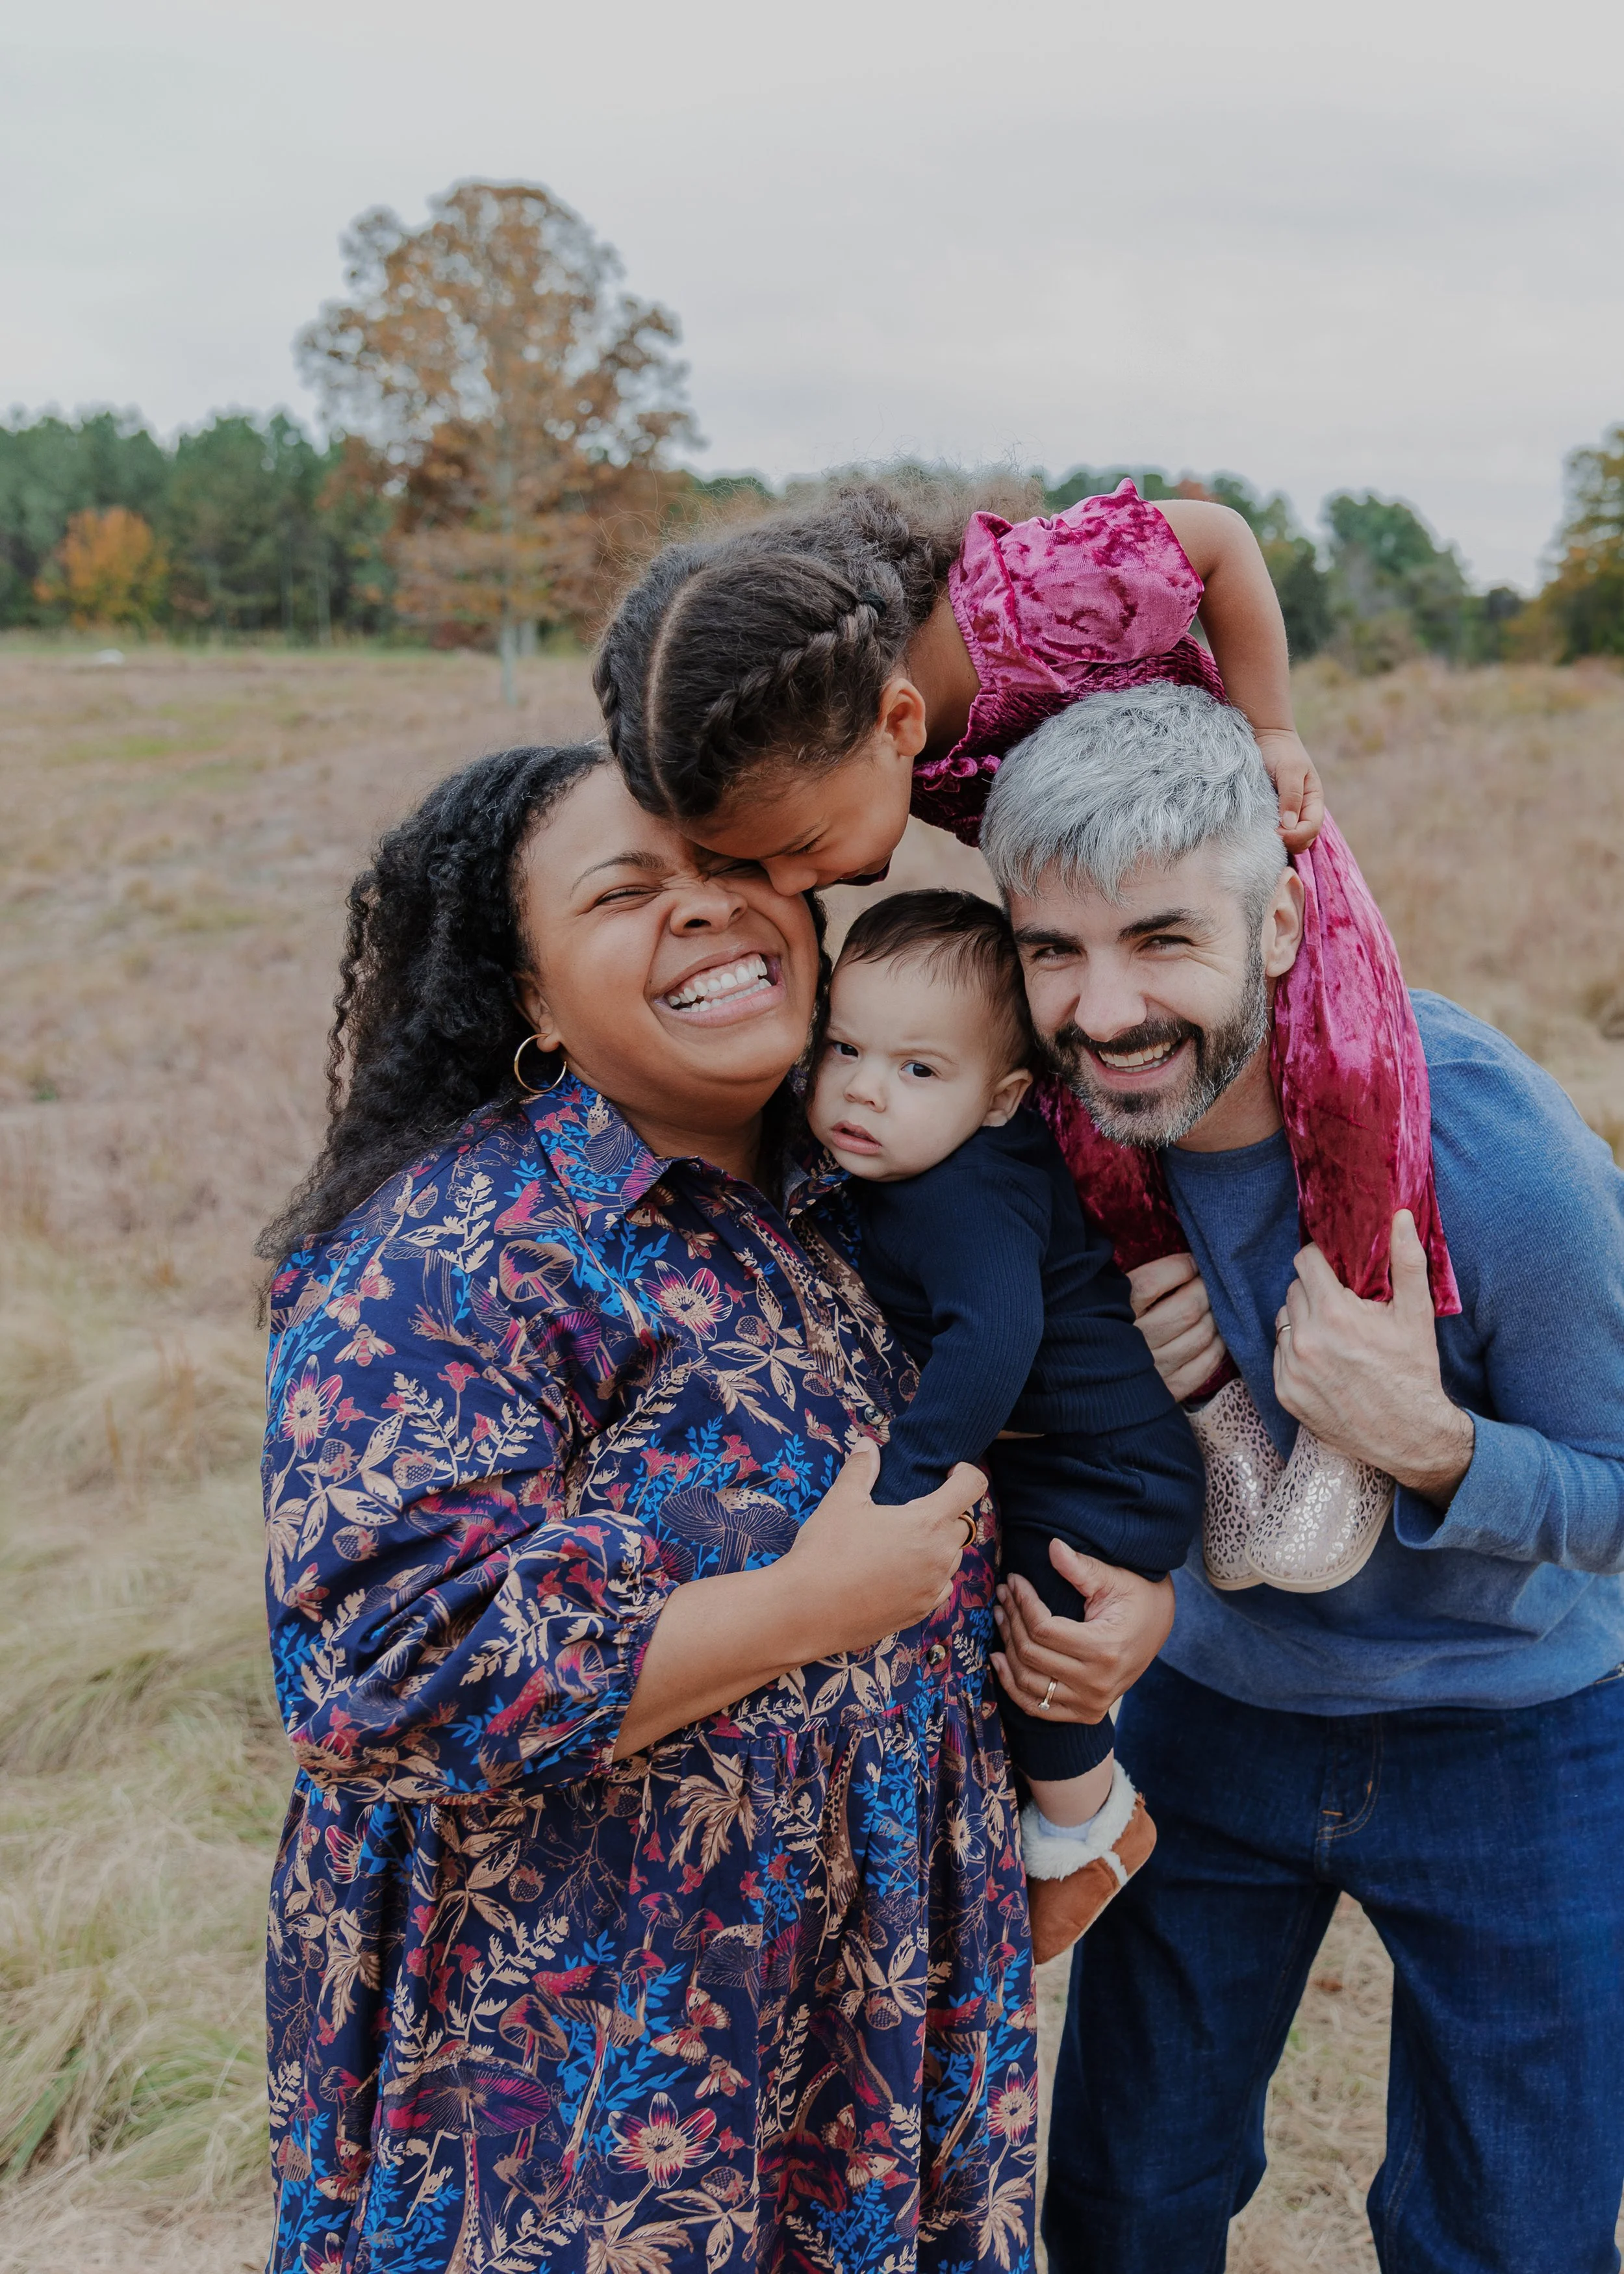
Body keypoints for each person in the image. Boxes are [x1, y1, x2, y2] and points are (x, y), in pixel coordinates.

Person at [260, 741, 1082, 2274]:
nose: (706, 913)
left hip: (867, 2011)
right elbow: (374, 1684)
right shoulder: (462, 1250)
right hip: (576, 2060)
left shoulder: (866, 1181)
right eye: (629, 893)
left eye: (734, 867)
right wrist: (804, 1609)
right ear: (527, 994)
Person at [978, 683, 1624, 2274]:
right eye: (1051, 950)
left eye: (1159, 941)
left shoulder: (1494, 1158)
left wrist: (1438, 1446)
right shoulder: (1045, 1143)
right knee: (1125, 2209)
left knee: (1508, 2238)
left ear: (1273, 927)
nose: (1100, 1009)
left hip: (1520, 1736)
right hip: (1210, 1720)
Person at [592, 478, 1458, 1565]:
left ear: (899, 722)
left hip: (1230, 863)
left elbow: (1220, 538)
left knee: (1352, 1077)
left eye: (800, 843)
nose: (794, 880)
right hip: (1090, 911)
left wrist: (1272, 727)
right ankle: (1214, 1409)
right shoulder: (840, 720)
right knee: (1089, 1138)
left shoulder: (1027, 601)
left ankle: (1353, 1400)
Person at [806, 888, 1203, 1961]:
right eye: (844, 1049)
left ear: (1002, 1099)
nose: (864, 1092)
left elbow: (991, 1340)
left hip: (1105, 1465)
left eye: (917, 1069)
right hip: (1071, 1449)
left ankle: (1089, 1827)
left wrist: (910, 1481)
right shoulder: (925, 1159)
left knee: (1043, 1632)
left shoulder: (962, 1196)